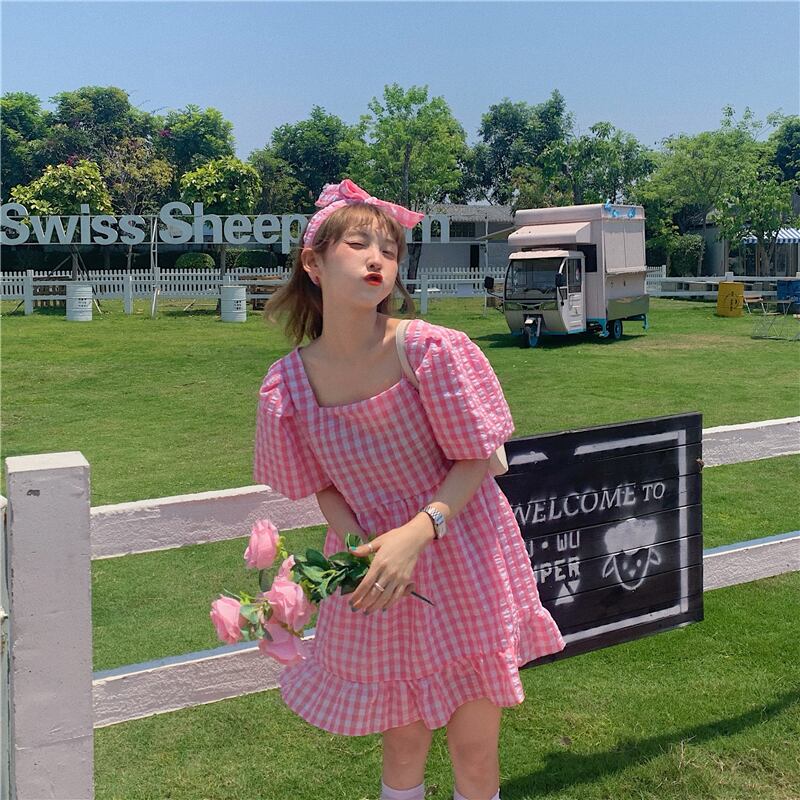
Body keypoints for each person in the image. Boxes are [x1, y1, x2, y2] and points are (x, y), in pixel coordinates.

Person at [253, 179, 566, 800]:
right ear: (313, 263)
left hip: (461, 552)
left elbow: (477, 457)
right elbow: (320, 484)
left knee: (473, 747)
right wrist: (359, 545)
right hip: (379, 574)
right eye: (358, 245)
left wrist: (418, 532)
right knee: (402, 744)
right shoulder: (288, 383)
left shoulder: (427, 349)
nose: (377, 259)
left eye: (390, 250)